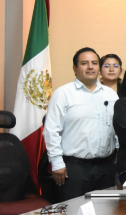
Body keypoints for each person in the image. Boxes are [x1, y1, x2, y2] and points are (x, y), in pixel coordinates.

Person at [43, 47, 119, 202]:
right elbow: (51, 131)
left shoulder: (110, 94)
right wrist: (57, 163)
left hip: (106, 167)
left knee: (106, 213)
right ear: (75, 68)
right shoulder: (63, 94)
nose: (90, 67)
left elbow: (117, 129)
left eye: (94, 63)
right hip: (74, 168)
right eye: (84, 63)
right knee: (74, 212)